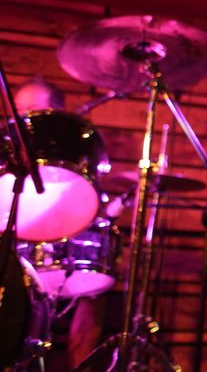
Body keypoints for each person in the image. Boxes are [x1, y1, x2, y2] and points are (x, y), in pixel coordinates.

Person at [13, 78, 106, 371]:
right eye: (19, 109)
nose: (24, 117)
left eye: (32, 108)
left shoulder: (75, 157)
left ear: (56, 112)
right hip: (17, 232)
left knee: (93, 284)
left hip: (69, 226)